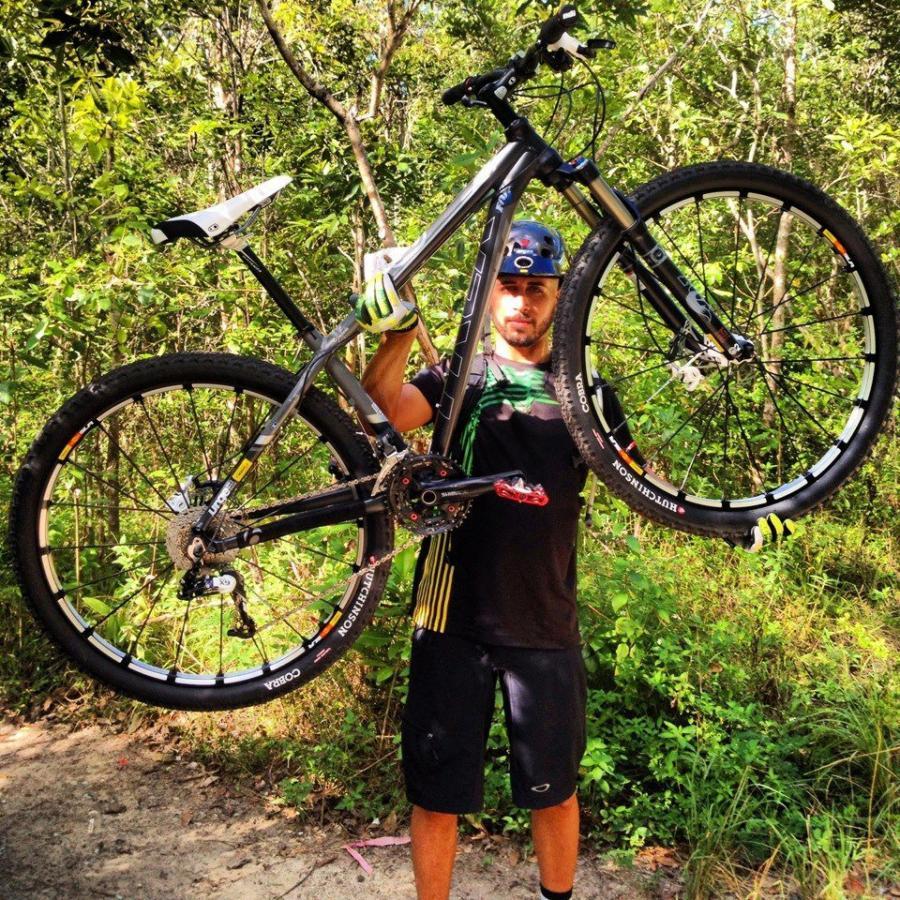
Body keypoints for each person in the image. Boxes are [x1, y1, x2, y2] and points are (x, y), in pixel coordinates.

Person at [355, 220, 793, 900]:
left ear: (561, 294)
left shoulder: (586, 392)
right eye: (509, 287)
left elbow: (649, 487)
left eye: (537, 288)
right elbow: (381, 410)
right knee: (438, 798)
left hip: (546, 623)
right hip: (449, 621)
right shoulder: (458, 374)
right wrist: (397, 333)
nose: (521, 303)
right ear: (489, 293)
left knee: (554, 794)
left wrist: (731, 521)